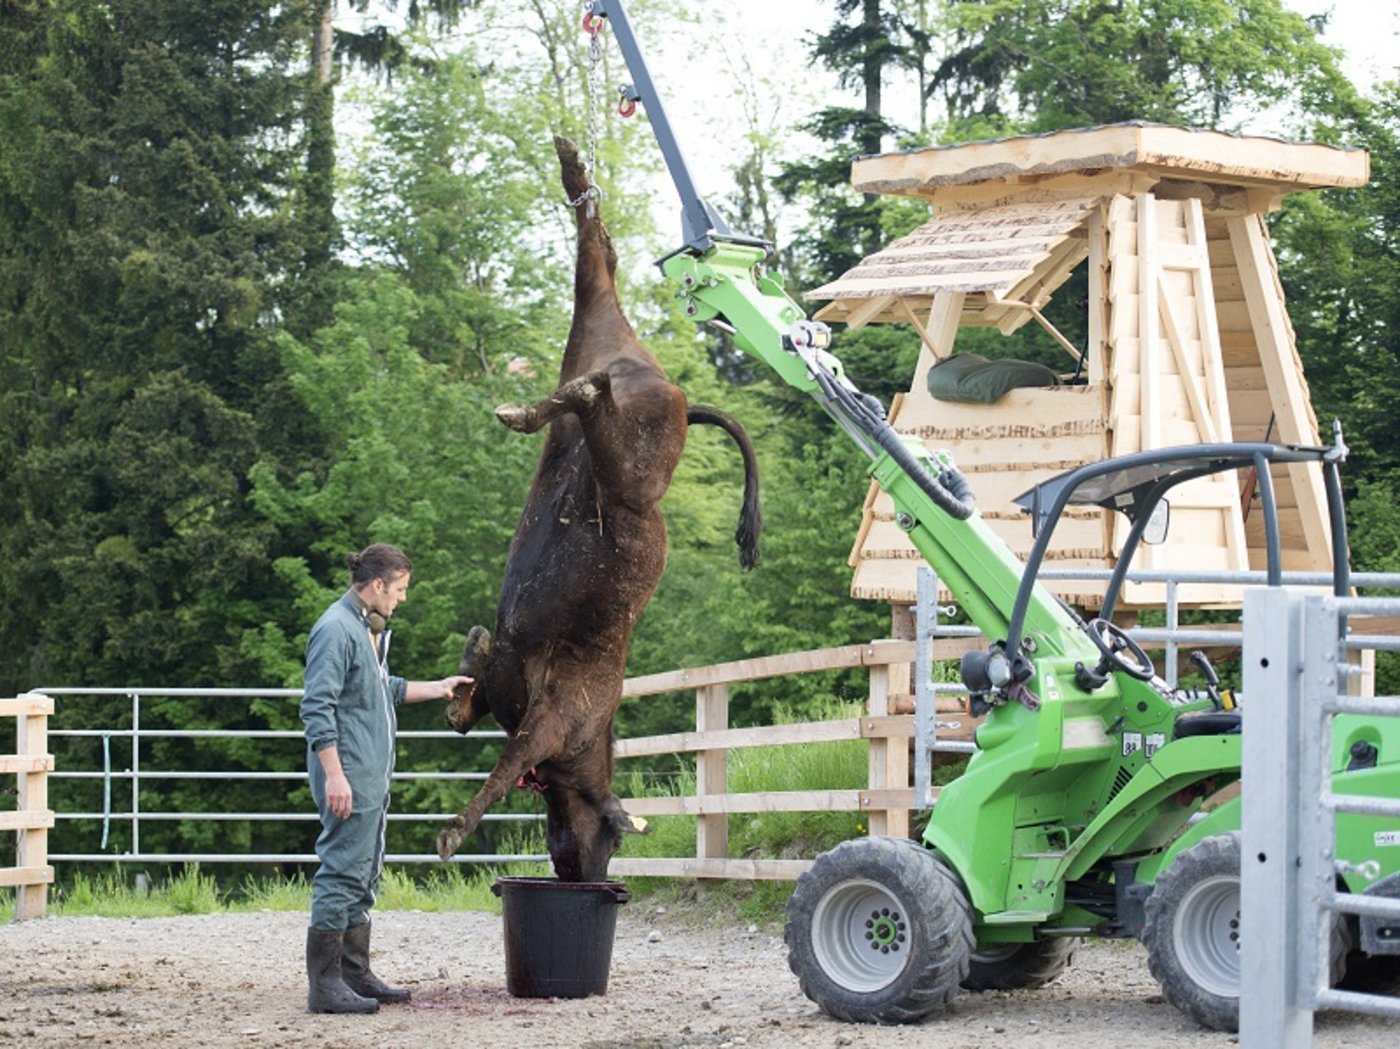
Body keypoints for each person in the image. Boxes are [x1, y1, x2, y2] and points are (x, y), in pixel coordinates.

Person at [299, 543, 471, 1015]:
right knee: (341, 869)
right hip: (349, 772)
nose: (402, 599)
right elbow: (317, 708)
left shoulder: (364, 629)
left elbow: (383, 690)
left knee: (364, 868)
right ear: (377, 585)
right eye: (399, 590)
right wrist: (335, 776)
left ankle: (354, 972)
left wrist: (438, 688)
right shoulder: (336, 630)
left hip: (369, 772)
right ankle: (326, 984)